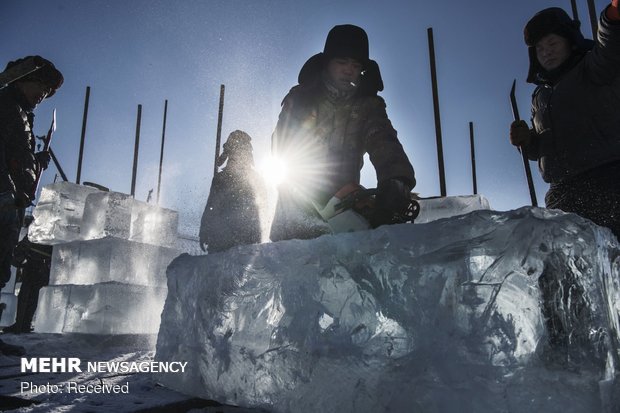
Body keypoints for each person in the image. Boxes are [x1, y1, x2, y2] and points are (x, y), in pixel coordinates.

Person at [270, 24, 416, 242]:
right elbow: (283, 146)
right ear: (327, 63)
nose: (349, 70)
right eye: (342, 62)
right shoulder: (301, 98)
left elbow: (383, 139)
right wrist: (325, 191)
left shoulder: (368, 105)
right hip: (297, 206)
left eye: (356, 65)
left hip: (343, 210)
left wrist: (396, 180)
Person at [509, 4, 620, 238]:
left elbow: (610, 43)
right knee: (565, 269)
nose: (546, 52)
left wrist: (612, 15)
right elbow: (543, 147)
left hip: (608, 180)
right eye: (539, 48)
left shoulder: (593, 68)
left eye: (552, 43)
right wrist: (528, 141)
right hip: (562, 193)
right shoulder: (540, 96)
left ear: (570, 41)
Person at [0, 56, 62, 294]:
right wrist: (4, 191)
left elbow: (16, 160)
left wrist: (36, 163)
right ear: (24, 80)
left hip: (12, 204)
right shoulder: (6, 105)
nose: (44, 94)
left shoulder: (24, 116)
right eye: (41, 87)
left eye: (48, 92)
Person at [199, 130, 264, 253]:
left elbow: (260, 212)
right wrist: (205, 231)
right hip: (224, 240)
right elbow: (212, 205)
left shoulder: (255, 180)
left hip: (243, 242)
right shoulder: (221, 179)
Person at [3, 218, 52, 334]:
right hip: (41, 267)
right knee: (31, 297)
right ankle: (23, 324)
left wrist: (17, 259)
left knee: (27, 296)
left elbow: (24, 246)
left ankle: (21, 325)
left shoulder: (38, 229)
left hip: (34, 266)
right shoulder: (47, 230)